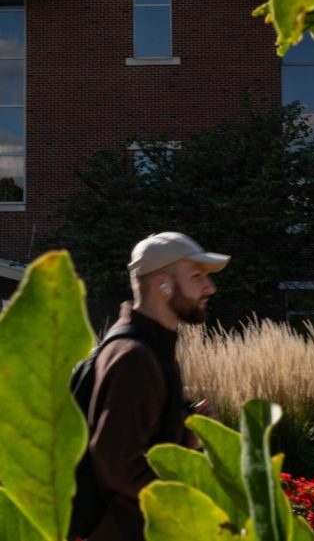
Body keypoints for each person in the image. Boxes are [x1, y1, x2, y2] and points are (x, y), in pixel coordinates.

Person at [83, 231, 229, 541]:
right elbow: (116, 463)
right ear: (163, 284)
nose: (209, 287)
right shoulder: (134, 357)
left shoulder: (150, 347)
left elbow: (142, 442)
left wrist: (186, 432)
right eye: (197, 276)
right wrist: (183, 505)